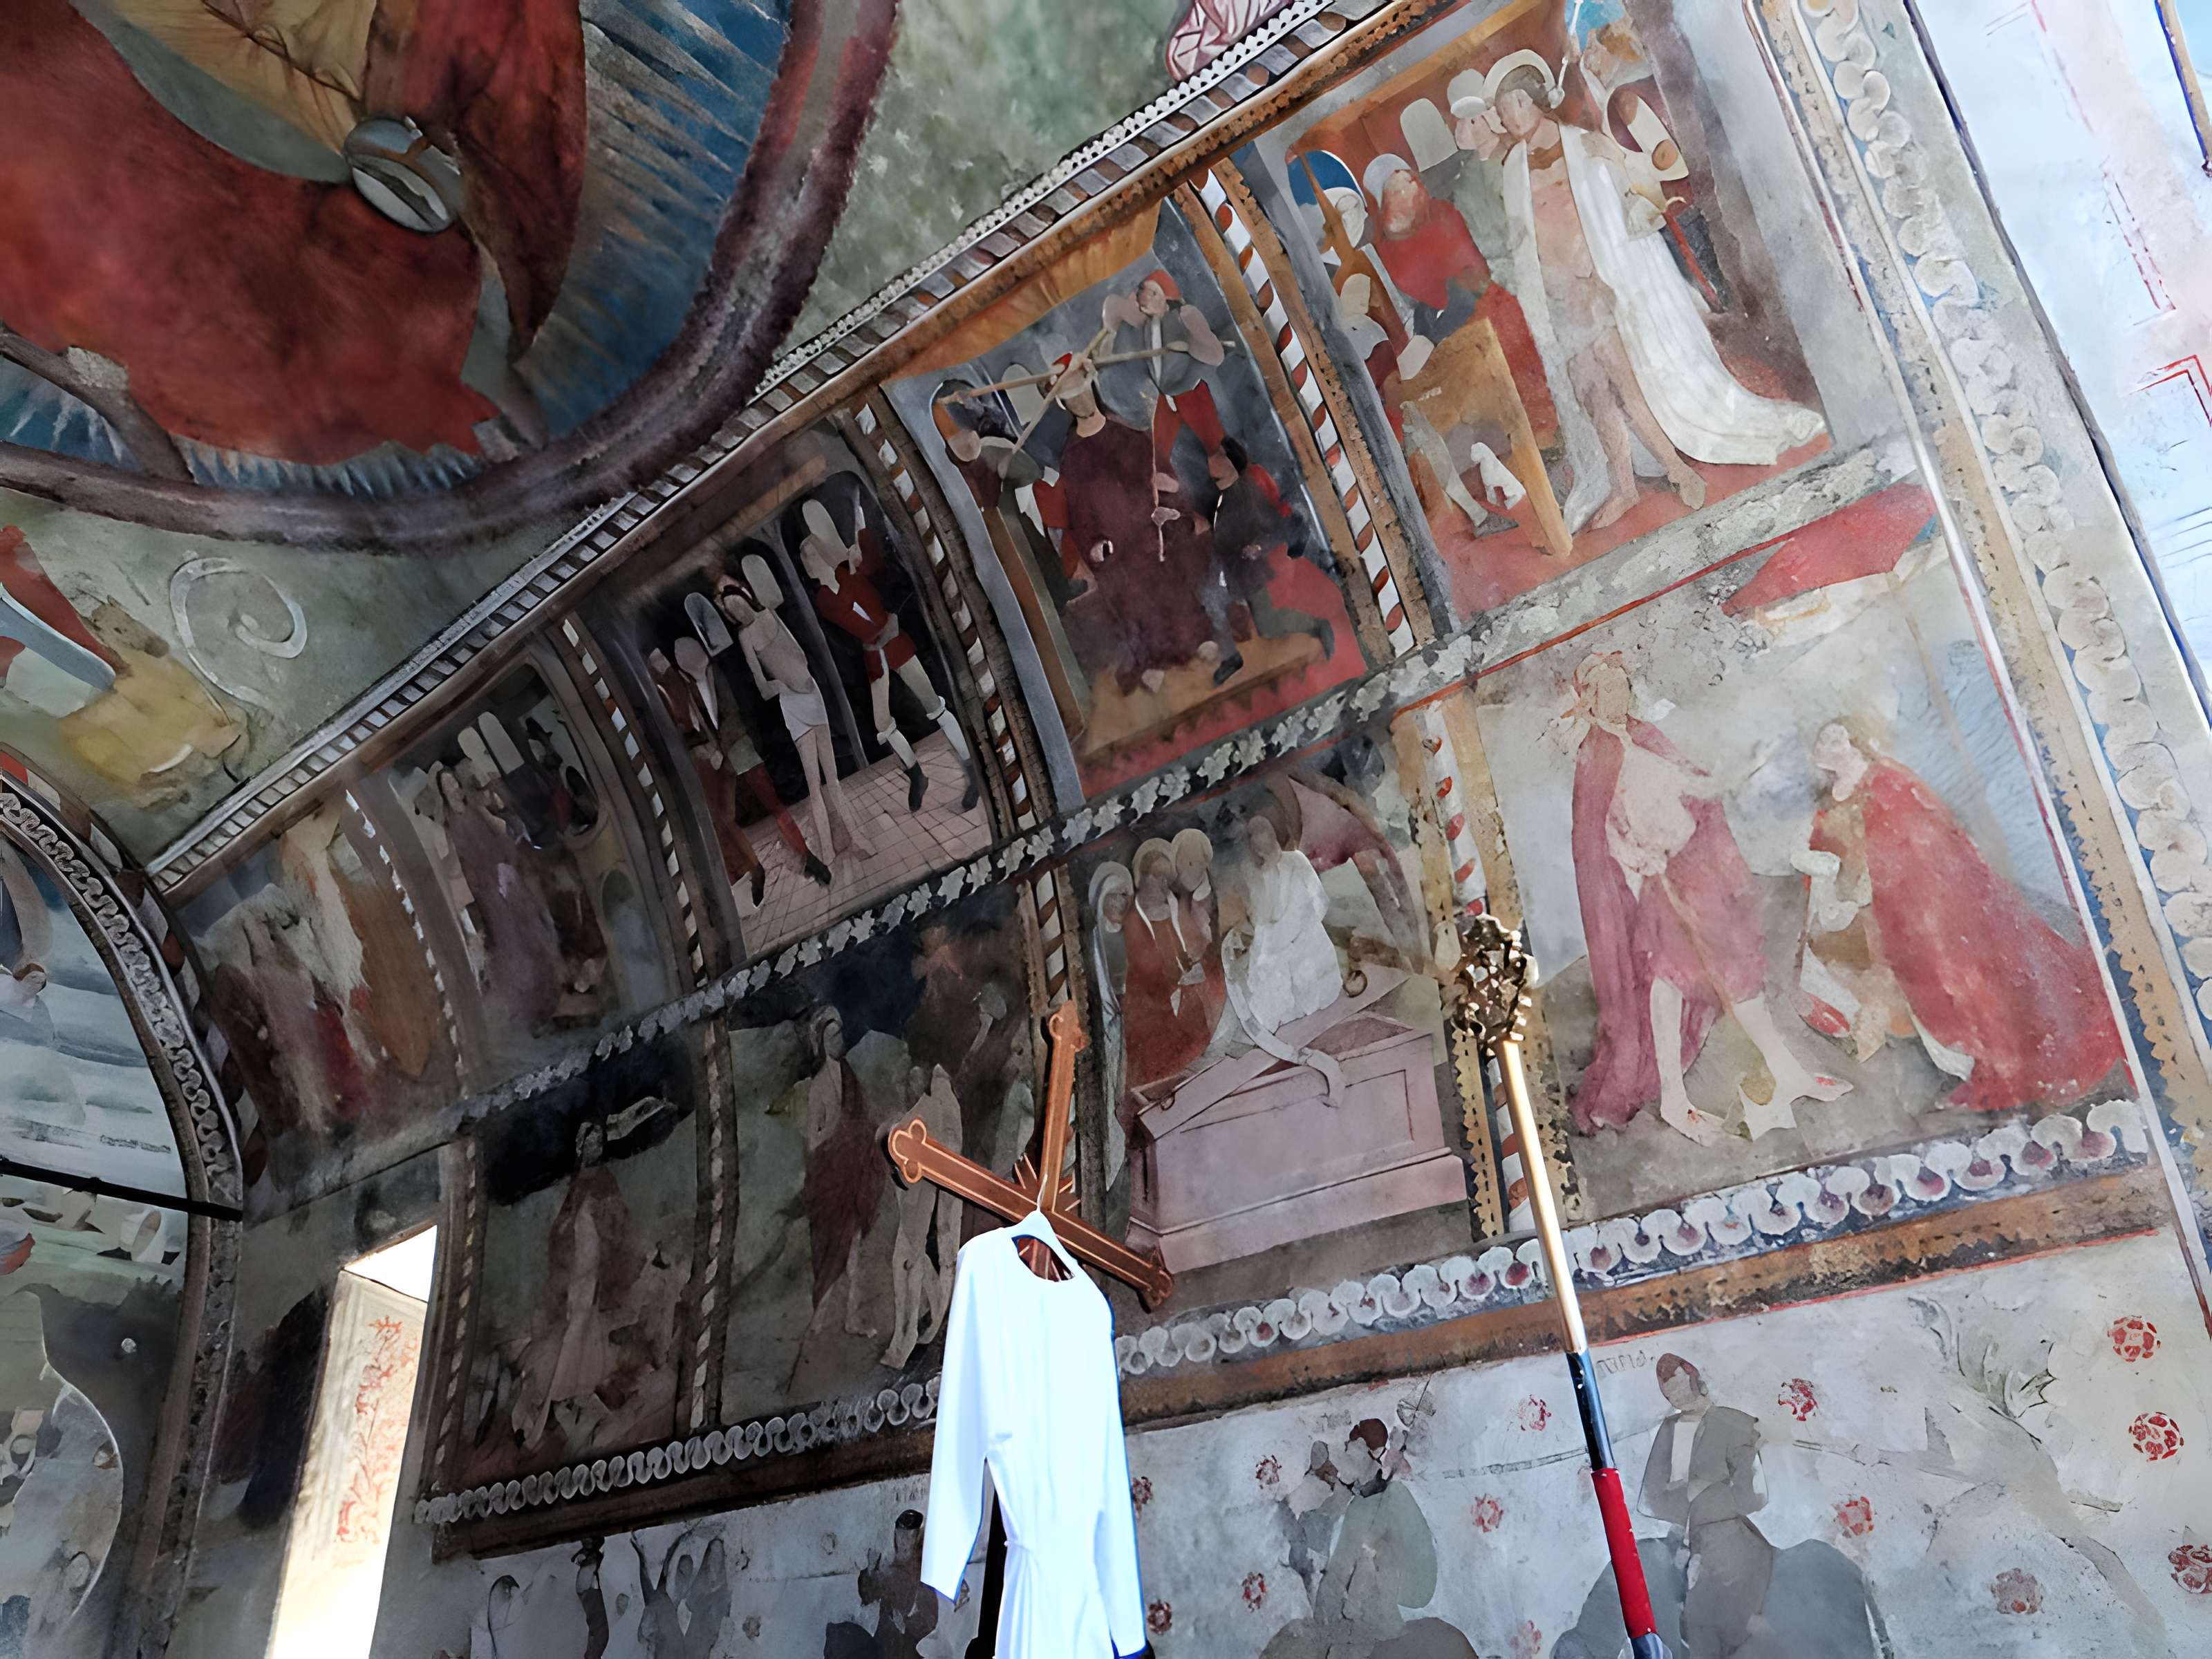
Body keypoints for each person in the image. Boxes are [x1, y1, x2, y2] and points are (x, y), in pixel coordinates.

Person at [1488, 77, 1822, 531]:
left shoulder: (1586, 146)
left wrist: (1620, 170)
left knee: (1622, 379)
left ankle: (1677, 470)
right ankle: (1624, 487)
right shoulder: (1512, 171)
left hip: (1601, 284)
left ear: (1538, 102)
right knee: (1592, 393)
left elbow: (1638, 193)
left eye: (1517, 101)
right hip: (1560, 297)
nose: (1510, 115)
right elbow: (1520, 243)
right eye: (1503, 108)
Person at [1566, 655, 1846, 1143]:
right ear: (1588, 698)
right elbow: (1600, 831)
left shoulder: (1646, 737)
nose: (1616, 697)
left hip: (1696, 868)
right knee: (1694, 977)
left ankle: (1739, 1082)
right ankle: (1739, 1082)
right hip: (1667, 877)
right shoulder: (1598, 752)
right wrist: (1640, 861)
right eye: (1605, 689)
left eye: (1621, 686)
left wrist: (1727, 776)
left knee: (1682, 978)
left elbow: (1692, 786)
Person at [1795, 721, 2121, 1111]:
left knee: (1967, 976)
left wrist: (1889, 873)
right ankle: (1965, 1063)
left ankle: (2002, 1061)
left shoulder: (1889, 781)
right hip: (1877, 912)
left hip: (1932, 902)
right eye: (1821, 740)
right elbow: (1826, 855)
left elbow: (1932, 836)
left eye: (1835, 737)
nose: (1826, 746)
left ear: (1854, 741)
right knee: (1907, 987)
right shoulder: (1829, 802)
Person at [794, 499, 980, 814]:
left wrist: (888, 617)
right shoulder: (824, 599)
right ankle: (916, 775)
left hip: (893, 644)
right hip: (873, 654)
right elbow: (847, 628)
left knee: (932, 704)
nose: (808, 562)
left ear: (822, 552)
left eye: (811, 554)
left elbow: (883, 587)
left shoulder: (851, 571)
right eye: (804, 559)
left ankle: (971, 768)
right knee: (882, 722)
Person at [1049, 360, 1219, 694]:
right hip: (1114, 543)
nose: (1079, 401)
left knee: (1169, 588)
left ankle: (1197, 640)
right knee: (1131, 602)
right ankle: (1153, 661)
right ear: (1064, 405)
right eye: (1071, 397)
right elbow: (1080, 513)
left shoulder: (1126, 434)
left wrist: (1169, 508)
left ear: (1092, 390)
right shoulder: (1072, 458)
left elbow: (1161, 475)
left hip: (1148, 528)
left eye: (1082, 391)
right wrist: (1095, 543)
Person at [722, 559, 875, 873]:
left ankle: (857, 839)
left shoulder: (770, 615)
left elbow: (800, 653)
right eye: (733, 613)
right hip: (793, 705)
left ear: (746, 597)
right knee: (814, 783)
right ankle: (829, 852)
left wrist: (801, 677)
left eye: (739, 604)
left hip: (812, 695)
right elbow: (762, 687)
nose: (740, 612)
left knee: (833, 780)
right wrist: (780, 684)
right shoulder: (746, 638)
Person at [1642, 1355, 1774, 1659]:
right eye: (1668, 1393)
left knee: (1727, 1623)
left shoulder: (1735, 1423)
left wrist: (1709, 1491)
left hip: (1731, 1539)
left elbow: (1753, 1496)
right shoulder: (1669, 1430)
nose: (1675, 1397)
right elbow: (1652, 1496)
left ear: (1693, 1376)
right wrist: (1690, 1494)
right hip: (1689, 1538)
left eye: (1677, 1386)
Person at [772, 1007, 884, 1340]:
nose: (838, 1041)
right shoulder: (819, 1086)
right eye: (831, 1036)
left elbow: (862, 1117)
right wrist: (841, 1137)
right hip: (831, 1177)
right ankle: (819, 1319)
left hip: (852, 1174)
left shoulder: (850, 1076)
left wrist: (864, 1134)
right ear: (821, 1042)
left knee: (853, 1250)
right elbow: (814, 1138)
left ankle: (851, 1317)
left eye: (840, 1034)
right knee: (831, 1250)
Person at [1197, 441, 1336, 684]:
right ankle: (1231, 658)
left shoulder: (1247, 492)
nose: (1211, 460)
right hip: (1228, 568)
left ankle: (1316, 625)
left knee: (1267, 625)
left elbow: (1275, 526)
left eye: (1218, 455)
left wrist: (1259, 546)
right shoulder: (1217, 497)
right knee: (1210, 602)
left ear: (1231, 463)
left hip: (1249, 569)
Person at [648, 639, 769, 904]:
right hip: (703, 756)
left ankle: (750, 871)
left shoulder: (710, 833)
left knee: (720, 818)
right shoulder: (725, 818)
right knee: (723, 818)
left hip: (696, 759)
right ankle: (663, 670)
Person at [825, 1510, 939, 1659]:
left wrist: (905, 1625)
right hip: (883, 1645)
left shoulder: (924, 1575)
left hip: (907, 1651)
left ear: (916, 1539)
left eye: (909, 1537)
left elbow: (929, 1620)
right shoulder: (890, 1570)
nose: (904, 1542)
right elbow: (868, 1595)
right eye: (901, 1536)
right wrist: (871, 1570)